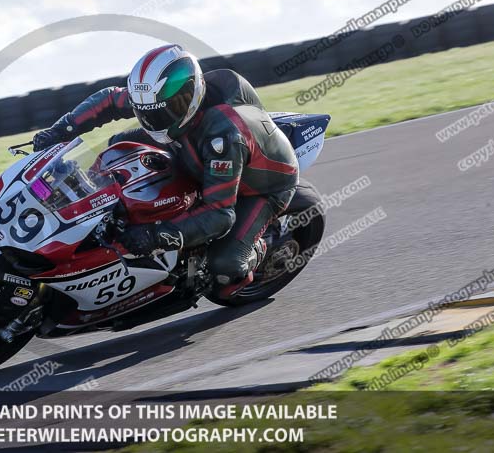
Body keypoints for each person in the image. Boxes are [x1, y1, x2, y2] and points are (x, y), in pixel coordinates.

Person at [32, 44, 299, 298]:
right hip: (190, 143)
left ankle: (256, 250)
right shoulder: (159, 98)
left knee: (224, 270)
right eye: (147, 114)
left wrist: (155, 235)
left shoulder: (223, 136)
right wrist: (62, 130)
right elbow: (110, 99)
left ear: (191, 97)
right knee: (118, 146)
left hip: (260, 187)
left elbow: (220, 214)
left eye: (166, 112)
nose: (155, 122)